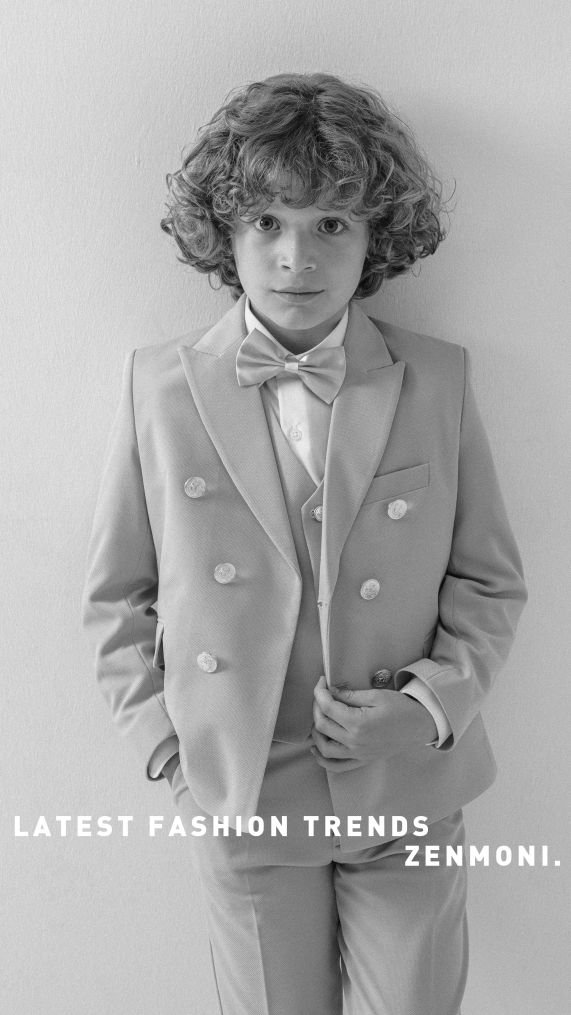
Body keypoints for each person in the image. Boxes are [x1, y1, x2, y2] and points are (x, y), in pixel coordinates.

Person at [82, 72, 528, 1015]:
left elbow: (487, 578)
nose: (296, 256)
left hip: (403, 781)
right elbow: (117, 594)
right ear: (225, 231)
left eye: (331, 222)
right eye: (266, 223)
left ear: (376, 235)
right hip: (244, 790)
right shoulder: (158, 387)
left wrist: (428, 707)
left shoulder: (434, 379)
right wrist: (171, 751)